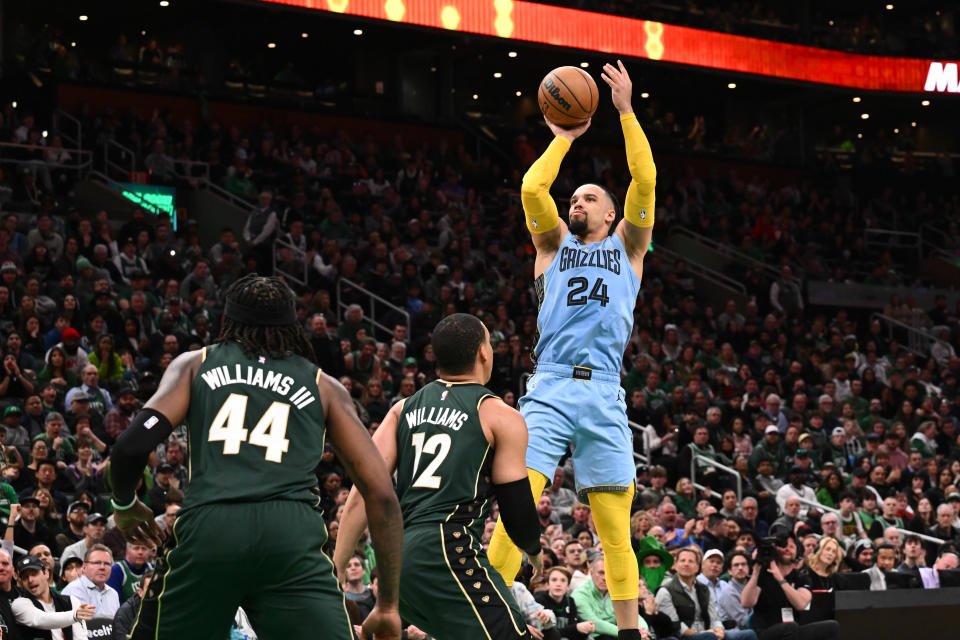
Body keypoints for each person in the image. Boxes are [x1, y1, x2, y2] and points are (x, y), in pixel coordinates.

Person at [107, 274, 403, 639]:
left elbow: (130, 446)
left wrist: (124, 503)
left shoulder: (195, 365)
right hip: (290, 538)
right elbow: (382, 495)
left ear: (225, 322)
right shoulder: (323, 385)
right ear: (293, 327)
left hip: (210, 531)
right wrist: (388, 605)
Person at [487, 60, 657, 640]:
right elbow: (534, 187)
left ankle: (630, 633)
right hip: (553, 384)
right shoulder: (551, 245)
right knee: (518, 504)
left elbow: (646, 182)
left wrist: (627, 113)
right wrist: (562, 139)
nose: (576, 201)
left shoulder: (631, 247)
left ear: (612, 213)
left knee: (615, 528)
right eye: (575, 198)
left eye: (589, 197)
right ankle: (483, 620)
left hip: (606, 390)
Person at [336, 313, 541, 640]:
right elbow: (516, 509)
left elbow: (363, 492)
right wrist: (533, 549)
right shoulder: (500, 415)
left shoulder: (401, 410)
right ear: (483, 353)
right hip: (447, 551)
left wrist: (337, 567)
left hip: (397, 562)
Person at [740, 533, 839, 640]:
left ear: (797, 552)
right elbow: (746, 602)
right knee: (790, 627)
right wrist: (756, 571)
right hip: (765, 631)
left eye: (791, 547)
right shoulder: (763, 574)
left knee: (832, 626)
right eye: (784, 546)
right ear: (776, 549)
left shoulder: (801, 577)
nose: (787, 549)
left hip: (793, 630)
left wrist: (781, 580)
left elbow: (801, 604)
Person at [12, 554, 94, 640]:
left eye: (34, 574)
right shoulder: (19, 604)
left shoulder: (71, 601)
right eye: (25, 577)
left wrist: (74, 615)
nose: (30, 580)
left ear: (46, 573)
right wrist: (73, 615)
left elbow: (80, 637)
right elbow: (41, 620)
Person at [654, 546, 727, 640]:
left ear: (697, 568)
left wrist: (719, 629)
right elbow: (675, 626)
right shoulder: (665, 591)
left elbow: (714, 618)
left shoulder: (704, 589)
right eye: (682, 560)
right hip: (682, 637)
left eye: (690, 561)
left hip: (708, 633)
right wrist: (703, 633)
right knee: (709, 636)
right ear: (675, 565)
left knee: (747, 634)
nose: (686, 564)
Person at [573, 553, 651, 640]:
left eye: (608, 573)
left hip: (618, 635)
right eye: (601, 573)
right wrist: (631, 633)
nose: (605, 578)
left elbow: (633, 615)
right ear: (591, 573)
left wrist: (642, 631)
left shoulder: (616, 591)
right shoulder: (580, 594)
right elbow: (594, 623)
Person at [61, 545, 122, 618]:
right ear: (84, 567)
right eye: (97, 563)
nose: (102, 567)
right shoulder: (72, 591)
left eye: (107, 564)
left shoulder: (113, 594)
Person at [534, 567, 595, 640]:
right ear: (547, 584)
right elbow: (545, 634)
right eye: (554, 580)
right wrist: (576, 628)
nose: (558, 584)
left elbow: (573, 632)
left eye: (563, 580)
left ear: (568, 586)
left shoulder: (570, 601)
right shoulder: (540, 599)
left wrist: (585, 630)